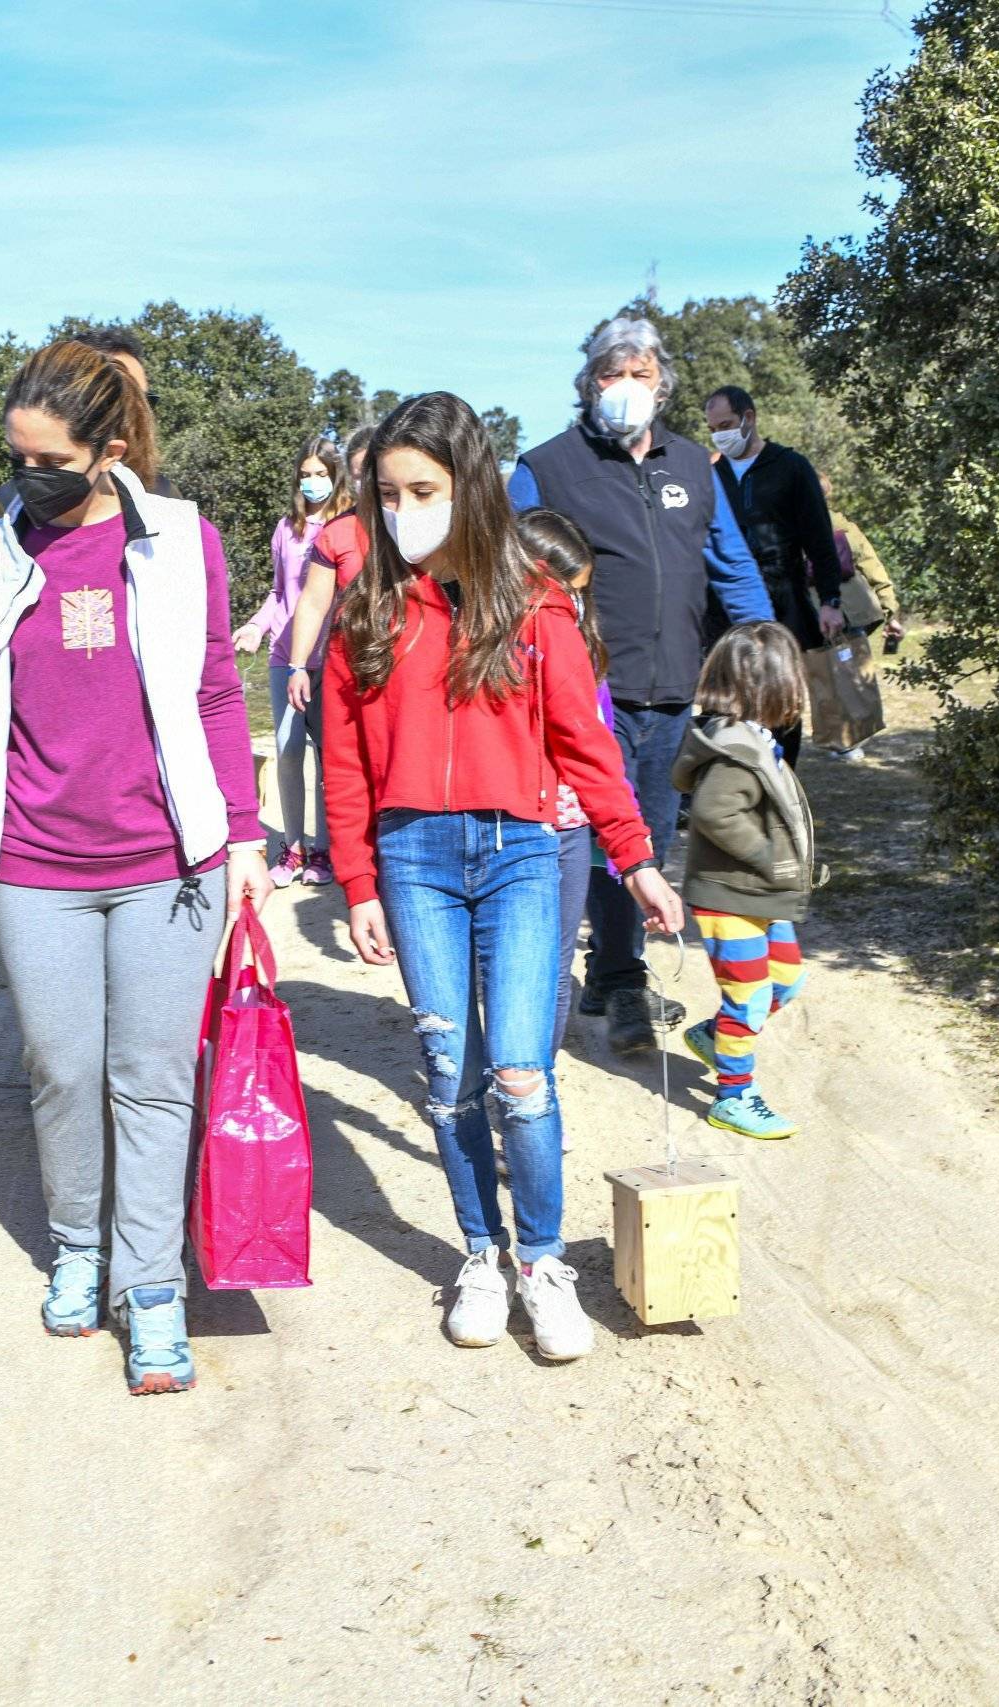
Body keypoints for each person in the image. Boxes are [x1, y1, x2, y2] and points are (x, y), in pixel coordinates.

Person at [0, 339, 269, 1397]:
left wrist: (242, 837)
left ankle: (151, 1290)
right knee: (61, 1069)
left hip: (166, 863)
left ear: (106, 450)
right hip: (37, 865)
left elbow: (216, 694)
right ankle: (77, 1246)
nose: (28, 479)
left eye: (48, 461)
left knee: (151, 1081)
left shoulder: (183, 540)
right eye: (15, 459)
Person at [321, 393, 682, 1362]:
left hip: (521, 854)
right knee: (450, 1076)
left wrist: (634, 858)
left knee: (520, 1074)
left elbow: (584, 740)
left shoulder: (533, 602)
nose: (402, 510)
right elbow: (344, 763)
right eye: (387, 493)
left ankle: (541, 1262)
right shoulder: (366, 611)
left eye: (422, 490)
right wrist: (356, 881)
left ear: (469, 488)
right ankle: (478, 1254)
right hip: (413, 860)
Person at [508, 316, 771, 1054]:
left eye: (640, 376)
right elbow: (507, 567)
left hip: (676, 686)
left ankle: (609, 967)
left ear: (663, 386)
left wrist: (764, 646)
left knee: (647, 835)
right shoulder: (547, 465)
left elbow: (731, 564)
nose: (623, 389)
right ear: (587, 384)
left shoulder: (695, 465)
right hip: (586, 688)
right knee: (599, 836)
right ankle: (621, 980)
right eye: (609, 375)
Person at [675, 623, 816, 1141]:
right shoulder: (735, 750)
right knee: (750, 996)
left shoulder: (754, 740)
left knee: (786, 980)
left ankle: (715, 1037)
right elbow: (714, 813)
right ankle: (733, 1096)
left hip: (759, 895)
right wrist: (769, 859)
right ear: (771, 686)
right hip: (730, 895)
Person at [513, 509, 626, 1052]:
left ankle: (539, 1092)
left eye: (582, 592)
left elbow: (593, 739)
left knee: (555, 966)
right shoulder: (488, 648)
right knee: (510, 970)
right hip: (511, 828)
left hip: (569, 831)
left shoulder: (582, 644)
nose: (576, 604)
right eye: (567, 590)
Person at [703, 386, 846, 769]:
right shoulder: (709, 477)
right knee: (725, 696)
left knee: (779, 693)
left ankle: (782, 775)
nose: (720, 434)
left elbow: (820, 538)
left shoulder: (791, 467)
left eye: (727, 424)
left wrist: (831, 601)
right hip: (721, 606)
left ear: (749, 417)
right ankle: (733, 776)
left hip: (785, 599)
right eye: (714, 428)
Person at [233, 437, 350, 885]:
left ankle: (323, 851)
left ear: (335, 476)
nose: (312, 481)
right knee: (286, 752)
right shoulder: (287, 528)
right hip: (286, 657)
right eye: (305, 473)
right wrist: (256, 626)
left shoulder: (346, 527)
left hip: (332, 659)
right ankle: (292, 849)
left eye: (320, 473)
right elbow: (279, 594)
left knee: (326, 761)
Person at [0, 325, 180, 516]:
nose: (132, 414)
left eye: (143, 402)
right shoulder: (9, 508)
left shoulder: (166, 501)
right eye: (113, 400)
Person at [276, 425, 378, 724]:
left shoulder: (410, 530)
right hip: (345, 670)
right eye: (360, 475)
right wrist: (296, 666)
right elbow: (313, 602)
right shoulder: (336, 532)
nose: (367, 482)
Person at [817, 470, 901, 649]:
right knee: (860, 673)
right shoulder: (846, 528)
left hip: (816, 622)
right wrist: (890, 612)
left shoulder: (786, 531)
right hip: (855, 615)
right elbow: (874, 570)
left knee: (823, 675)